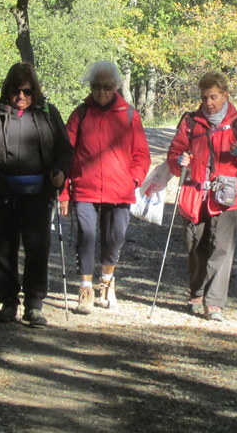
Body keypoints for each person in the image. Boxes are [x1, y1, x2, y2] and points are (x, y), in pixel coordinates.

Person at [0, 62, 73, 327]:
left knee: (37, 248)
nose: (20, 97)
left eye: (26, 91)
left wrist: (60, 171)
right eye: (15, 91)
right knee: (4, 248)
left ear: (34, 90)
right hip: (2, 189)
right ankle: (8, 303)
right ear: (7, 90)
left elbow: (65, 150)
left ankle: (34, 305)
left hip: (39, 192)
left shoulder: (48, 112)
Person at [166, 71, 237, 322]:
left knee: (221, 247)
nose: (208, 103)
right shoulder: (190, 121)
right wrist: (180, 161)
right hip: (195, 193)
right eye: (204, 97)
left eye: (213, 97)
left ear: (224, 95)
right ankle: (197, 293)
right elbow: (174, 156)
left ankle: (214, 304)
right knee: (195, 245)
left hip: (228, 195)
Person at [60, 61, 151, 315]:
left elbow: (141, 154)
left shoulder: (129, 114)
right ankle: (85, 289)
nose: (101, 93)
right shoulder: (81, 113)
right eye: (96, 87)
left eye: (107, 87)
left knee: (115, 238)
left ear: (116, 87)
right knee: (85, 237)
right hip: (85, 188)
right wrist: (65, 192)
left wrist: (133, 179)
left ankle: (107, 283)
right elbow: (66, 154)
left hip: (119, 190)